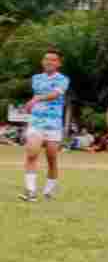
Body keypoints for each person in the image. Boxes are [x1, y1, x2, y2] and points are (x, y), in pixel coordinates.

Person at [19, 49, 70, 201]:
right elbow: (37, 96)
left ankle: (49, 191)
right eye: (46, 59)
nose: (49, 62)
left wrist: (37, 99)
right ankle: (30, 191)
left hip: (54, 124)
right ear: (42, 62)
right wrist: (30, 105)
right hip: (36, 121)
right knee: (31, 154)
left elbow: (55, 94)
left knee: (52, 158)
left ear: (58, 63)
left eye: (53, 60)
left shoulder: (63, 79)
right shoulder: (36, 78)